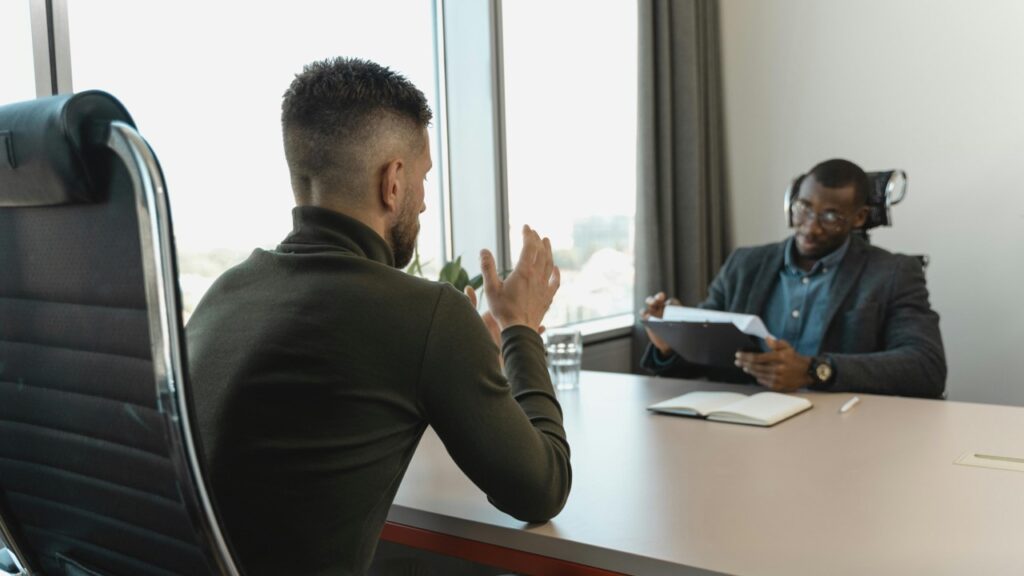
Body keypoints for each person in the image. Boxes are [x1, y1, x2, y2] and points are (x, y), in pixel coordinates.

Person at [186, 57, 571, 576]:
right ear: (393, 182)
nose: (424, 204)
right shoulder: (425, 312)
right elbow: (542, 489)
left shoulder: (224, 293)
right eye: (423, 179)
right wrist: (520, 330)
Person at [641, 158, 946, 398]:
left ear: (859, 218)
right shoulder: (744, 264)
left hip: (843, 429)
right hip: (744, 424)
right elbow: (704, 356)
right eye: (804, 209)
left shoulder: (893, 273)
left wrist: (815, 371)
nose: (810, 227)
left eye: (830, 216)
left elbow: (926, 367)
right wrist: (671, 337)